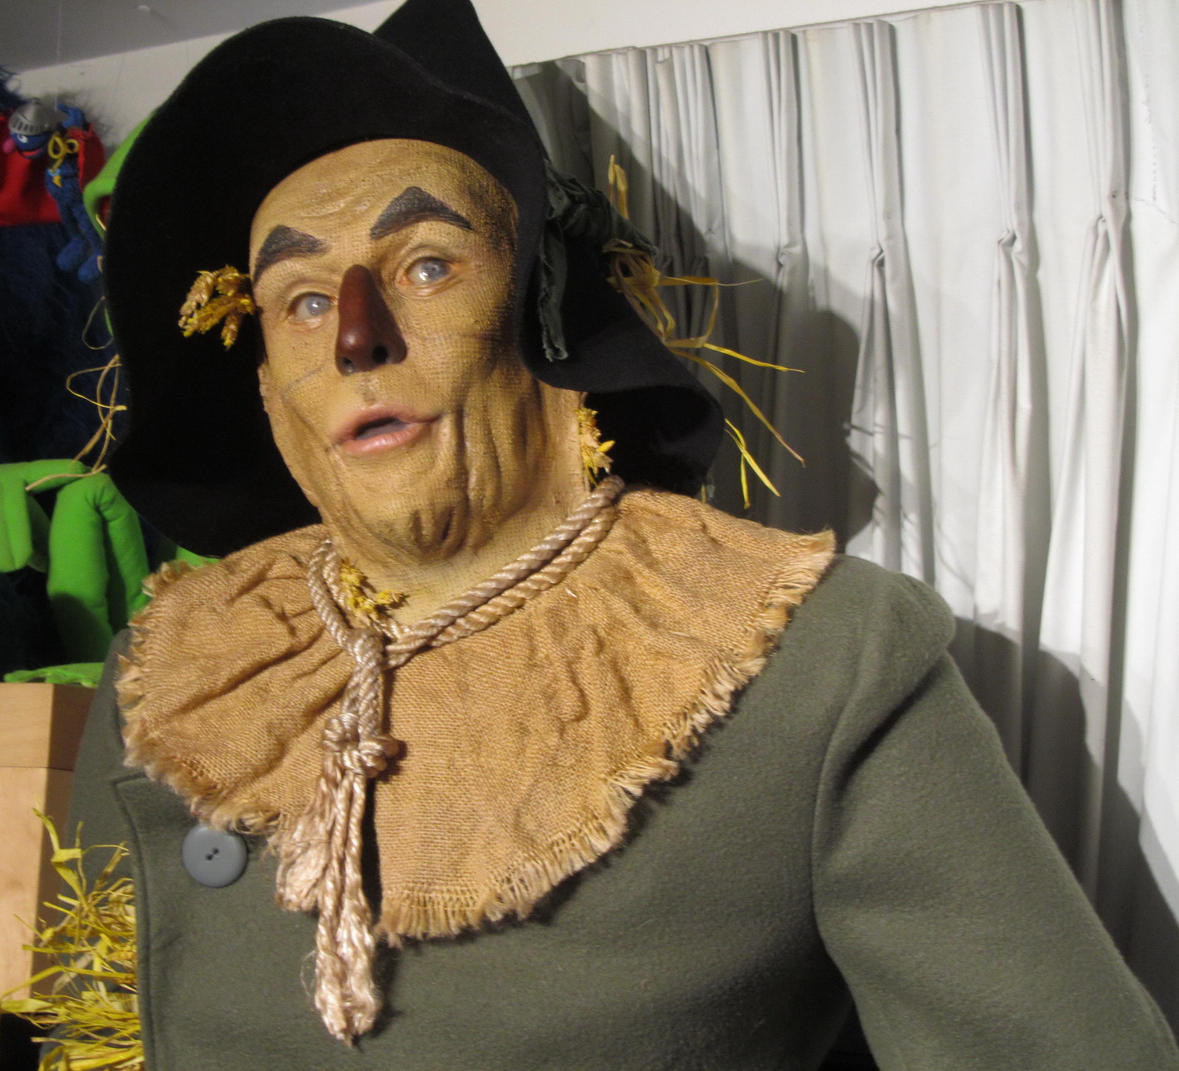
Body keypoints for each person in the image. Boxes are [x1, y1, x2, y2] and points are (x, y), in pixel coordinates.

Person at [66, 0, 1179, 1066]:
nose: (357, 335)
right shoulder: (180, 660)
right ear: (267, 386)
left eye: (428, 266)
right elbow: (80, 1006)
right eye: (303, 299)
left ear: (545, 314)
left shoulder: (823, 662)